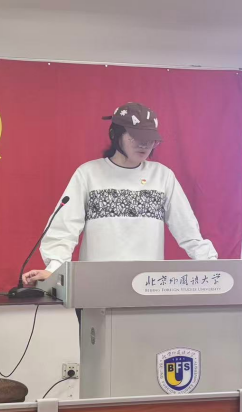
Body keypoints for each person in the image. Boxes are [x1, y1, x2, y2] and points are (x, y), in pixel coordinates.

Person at [22, 102, 217, 285]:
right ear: (115, 135)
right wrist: (54, 268)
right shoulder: (89, 174)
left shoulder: (162, 176)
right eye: (136, 138)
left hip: (147, 285)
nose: (144, 145)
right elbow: (64, 227)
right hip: (95, 285)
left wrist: (213, 268)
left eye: (150, 140)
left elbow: (188, 229)